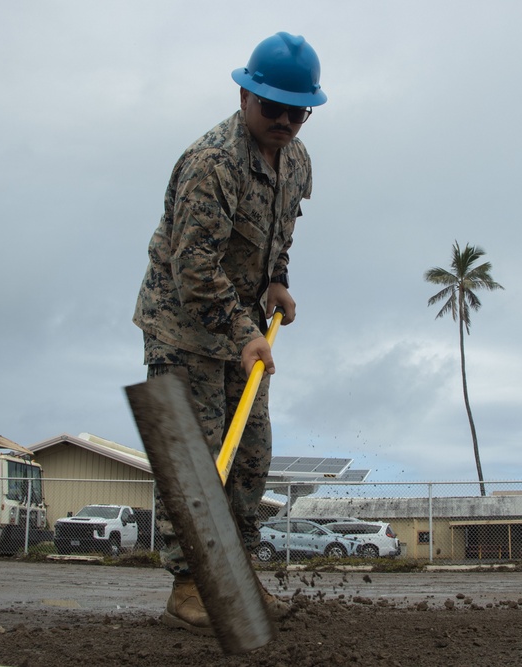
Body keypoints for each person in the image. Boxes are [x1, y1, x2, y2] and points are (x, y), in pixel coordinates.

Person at [132, 31, 327, 635]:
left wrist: (277, 281)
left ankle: (235, 576)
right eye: (274, 108)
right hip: (185, 327)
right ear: (246, 96)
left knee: (250, 458)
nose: (287, 121)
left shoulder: (295, 161)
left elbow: (279, 233)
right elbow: (194, 271)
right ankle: (190, 588)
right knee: (196, 461)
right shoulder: (212, 163)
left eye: (300, 111)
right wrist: (245, 331)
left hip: (244, 334)